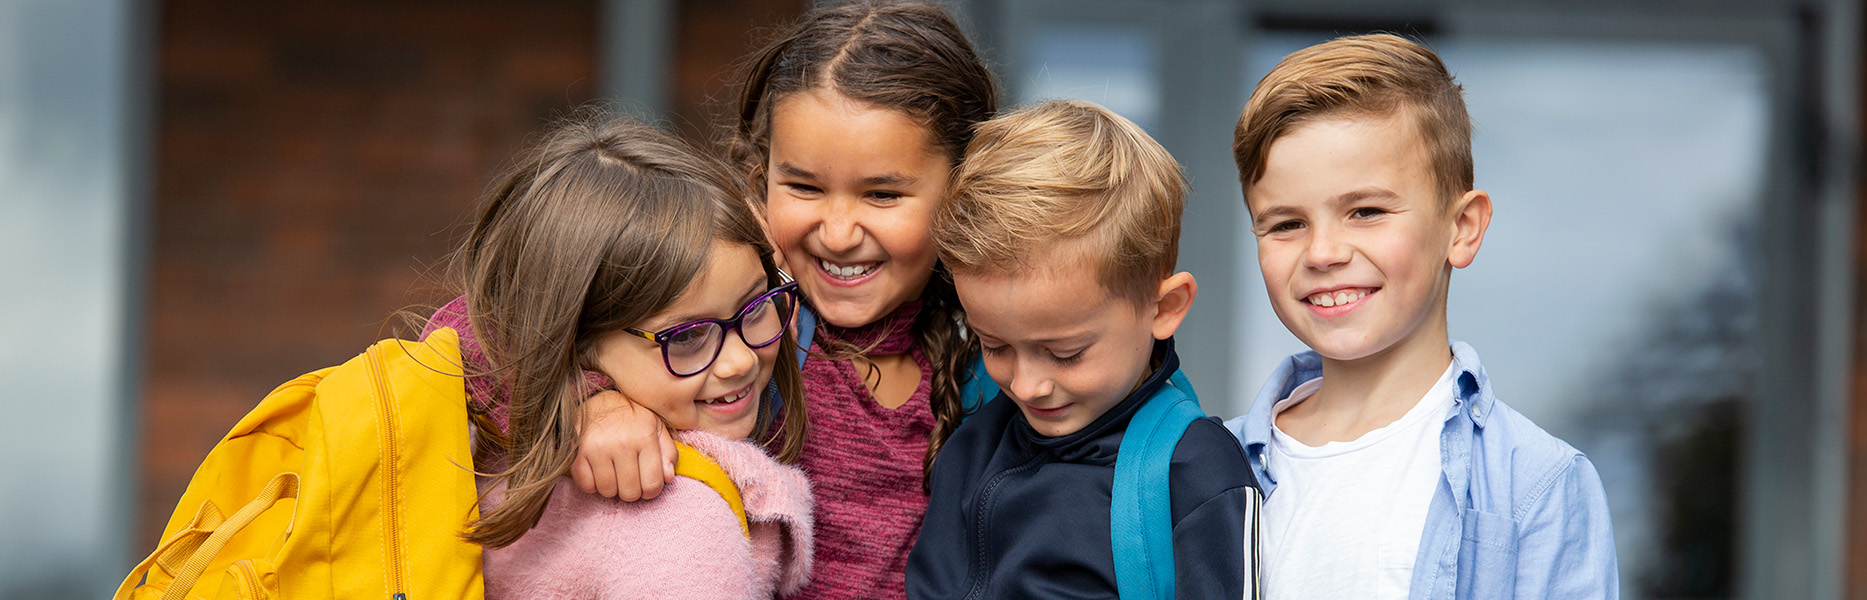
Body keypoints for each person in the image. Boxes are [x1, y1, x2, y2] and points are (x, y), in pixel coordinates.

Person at [570, 2, 1001, 598]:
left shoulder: (1001, 366)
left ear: (963, 190)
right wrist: (591, 404)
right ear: (759, 174)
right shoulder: (732, 328)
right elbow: (480, 339)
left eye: (881, 194)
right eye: (803, 186)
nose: (839, 231)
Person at [1224, 34, 1619, 599]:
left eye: (1366, 211)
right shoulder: (1204, 473)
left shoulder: (1537, 485)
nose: (1323, 253)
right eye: (1286, 223)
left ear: (1461, 228)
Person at [436, 115, 814, 598]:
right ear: (573, 338)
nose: (739, 361)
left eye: (756, 305)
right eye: (686, 336)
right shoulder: (681, 524)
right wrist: (584, 401)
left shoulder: (481, 451)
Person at [906, 99, 1262, 600]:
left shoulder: (1195, 470)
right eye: (995, 345)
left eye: (1066, 353)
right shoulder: (972, 449)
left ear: (1164, 308)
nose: (1027, 385)